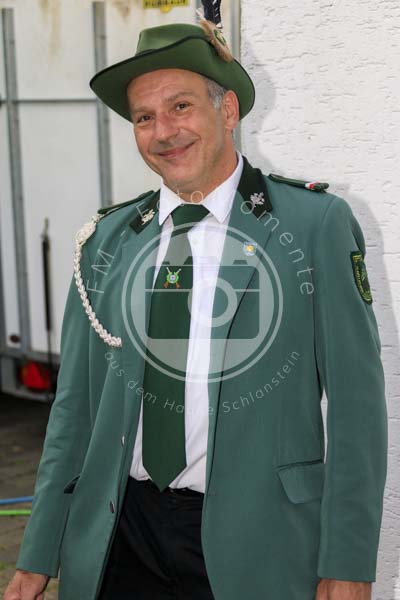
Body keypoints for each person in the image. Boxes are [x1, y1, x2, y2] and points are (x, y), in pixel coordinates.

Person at [4, 21, 387, 600]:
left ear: (227, 110)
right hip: (120, 537)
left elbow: (358, 410)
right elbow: (73, 412)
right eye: (144, 117)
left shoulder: (313, 227)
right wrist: (37, 553)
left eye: (180, 106)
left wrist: (349, 563)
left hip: (259, 542)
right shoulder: (106, 240)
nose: (164, 132)